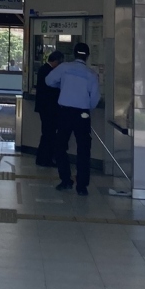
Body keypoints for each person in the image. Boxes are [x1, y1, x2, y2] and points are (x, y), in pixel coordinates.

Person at [45, 41, 100, 195]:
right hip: (83, 114)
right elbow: (95, 99)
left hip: (64, 112)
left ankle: (66, 180)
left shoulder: (64, 68)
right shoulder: (91, 74)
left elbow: (49, 81)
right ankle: (81, 186)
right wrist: (86, 108)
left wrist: (62, 86)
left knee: (60, 146)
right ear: (87, 56)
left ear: (74, 54)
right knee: (84, 149)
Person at [34, 50, 64, 168]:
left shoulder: (43, 69)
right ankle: (45, 158)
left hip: (44, 107)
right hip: (48, 107)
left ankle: (42, 158)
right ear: (56, 61)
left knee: (47, 133)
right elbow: (51, 89)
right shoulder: (48, 71)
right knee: (49, 133)